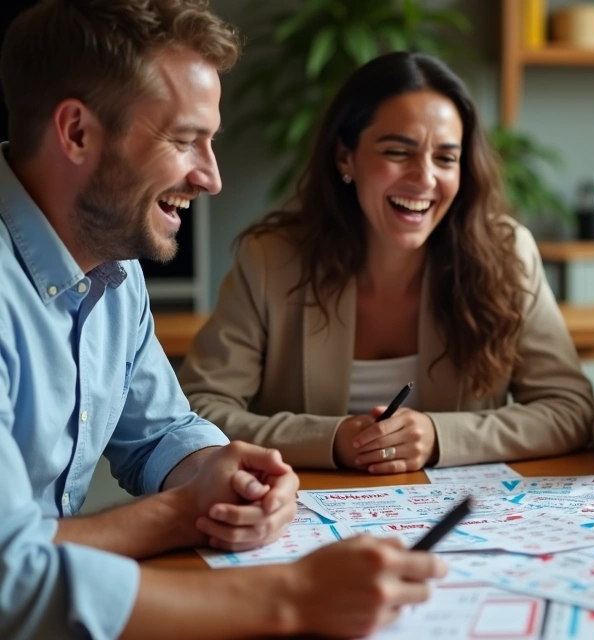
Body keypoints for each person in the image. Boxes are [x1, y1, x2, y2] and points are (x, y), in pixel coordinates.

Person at [0, 2, 443, 637]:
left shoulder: (111, 271)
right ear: (76, 132)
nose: (210, 176)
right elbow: (12, 578)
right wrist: (286, 591)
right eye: (183, 140)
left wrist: (221, 471)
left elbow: (160, 433)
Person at [177, 51, 594, 473]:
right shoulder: (270, 260)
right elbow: (198, 411)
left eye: (446, 158)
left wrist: (439, 437)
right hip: (305, 517)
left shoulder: (507, 254)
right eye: (398, 152)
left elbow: (570, 409)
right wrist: (332, 440)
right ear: (346, 157)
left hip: (458, 519)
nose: (425, 178)